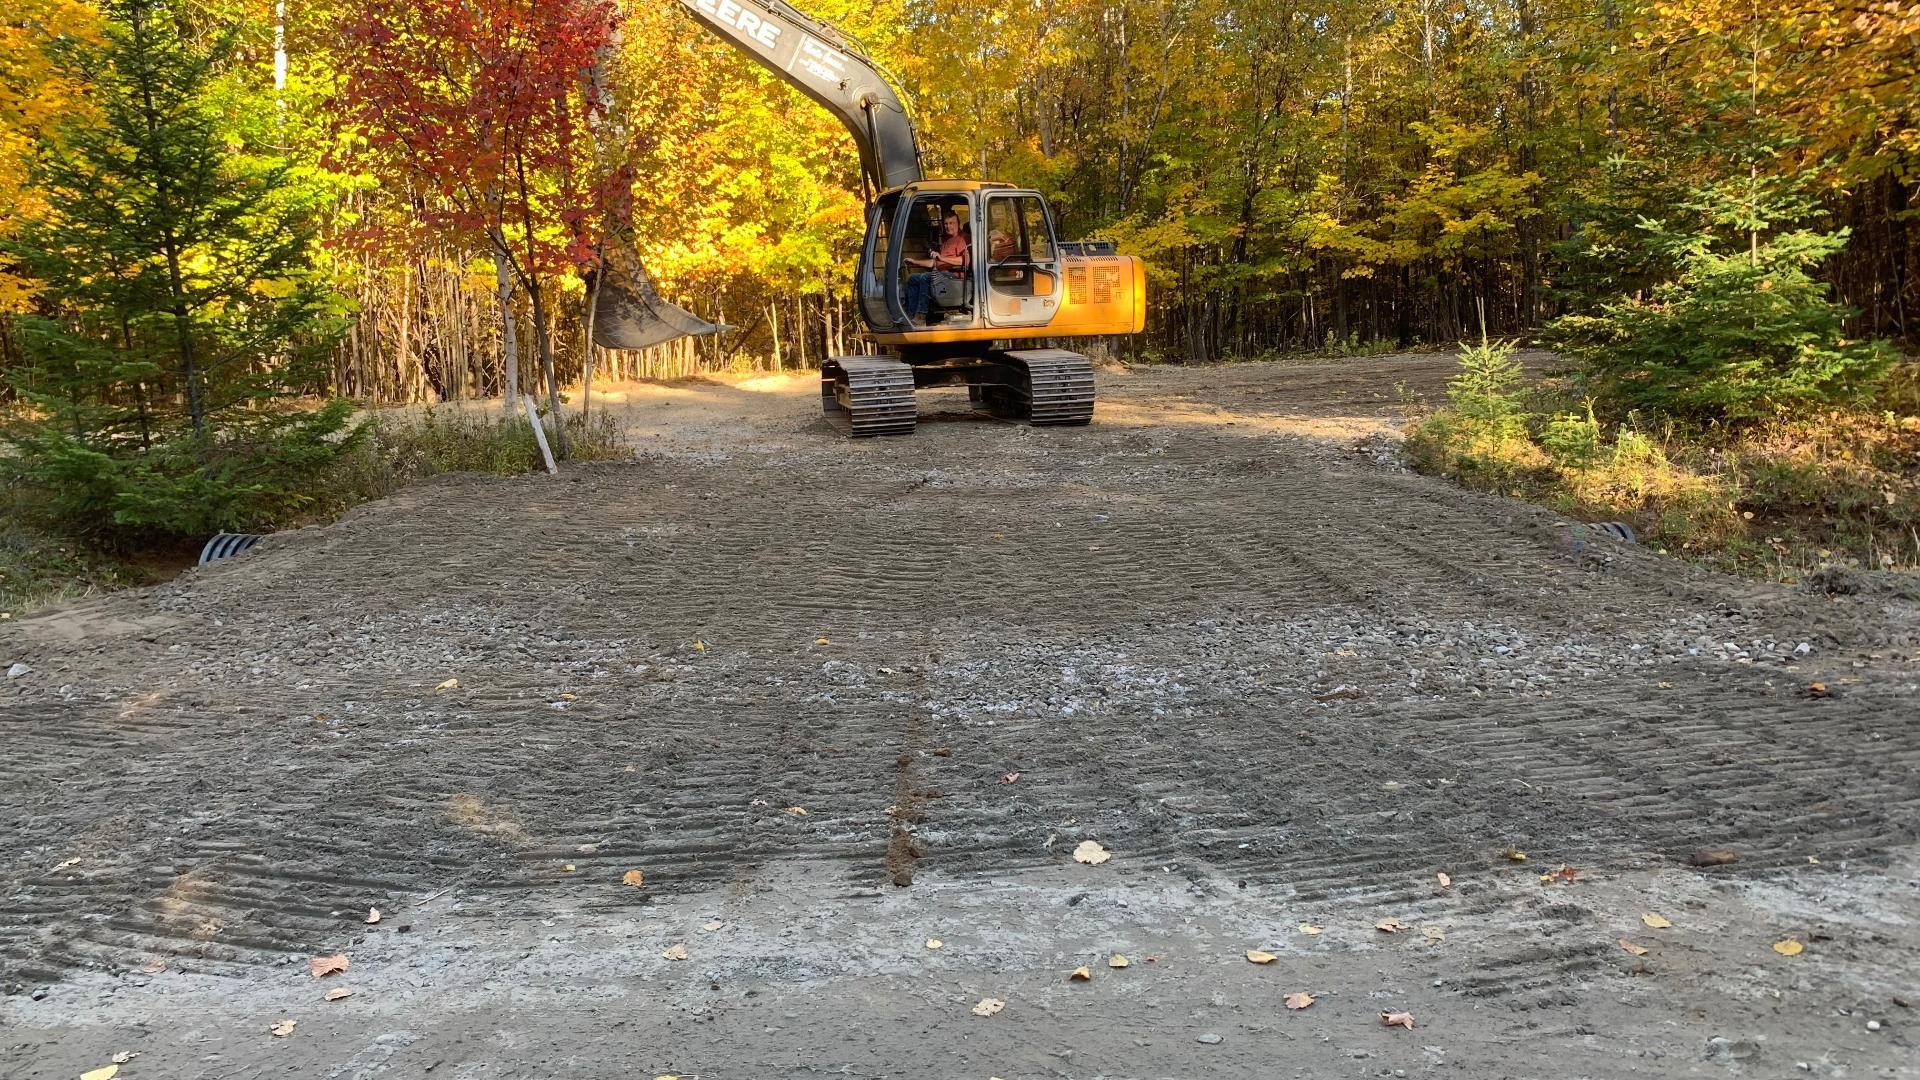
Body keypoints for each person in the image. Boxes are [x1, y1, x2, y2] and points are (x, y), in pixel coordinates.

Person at [902, 210, 969, 325]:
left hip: (954, 277)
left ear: (958, 222)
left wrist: (942, 258)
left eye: (951, 223)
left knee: (926, 277)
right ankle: (911, 314)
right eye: (946, 224)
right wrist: (915, 262)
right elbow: (935, 263)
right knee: (912, 279)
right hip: (941, 275)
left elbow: (964, 261)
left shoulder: (963, 239)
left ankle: (921, 315)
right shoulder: (946, 241)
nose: (948, 226)